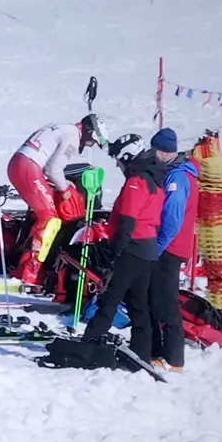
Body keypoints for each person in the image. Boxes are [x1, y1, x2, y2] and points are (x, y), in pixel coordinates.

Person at [81, 145, 169, 357]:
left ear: (128, 158)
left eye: (119, 161)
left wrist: (114, 251)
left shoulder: (136, 182)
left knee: (111, 297)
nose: (119, 166)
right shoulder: (154, 179)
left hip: (133, 247)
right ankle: (143, 349)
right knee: (137, 302)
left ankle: (89, 342)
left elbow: (128, 220)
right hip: (147, 249)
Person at [7, 114, 102, 288]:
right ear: (88, 132)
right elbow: (54, 169)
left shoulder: (65, 128)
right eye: (93, 140)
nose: (92, 144)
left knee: (44, 215)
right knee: (50, 220)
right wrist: (64, 190)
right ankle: (30, 272)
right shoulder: (73, 136)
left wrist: (63, 184)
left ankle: (24, 267)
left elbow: (50, 167)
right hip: (28, 167)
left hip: (21, 164)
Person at [149, 130, 199, 372]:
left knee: (166, 303)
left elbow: (172, 219)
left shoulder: (177, 179)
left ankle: (174, 359)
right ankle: (159, 352)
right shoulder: (178, 174)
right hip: (172, 246)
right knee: (158, 300)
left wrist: (156, 249)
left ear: (163, 151)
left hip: (170, 248)